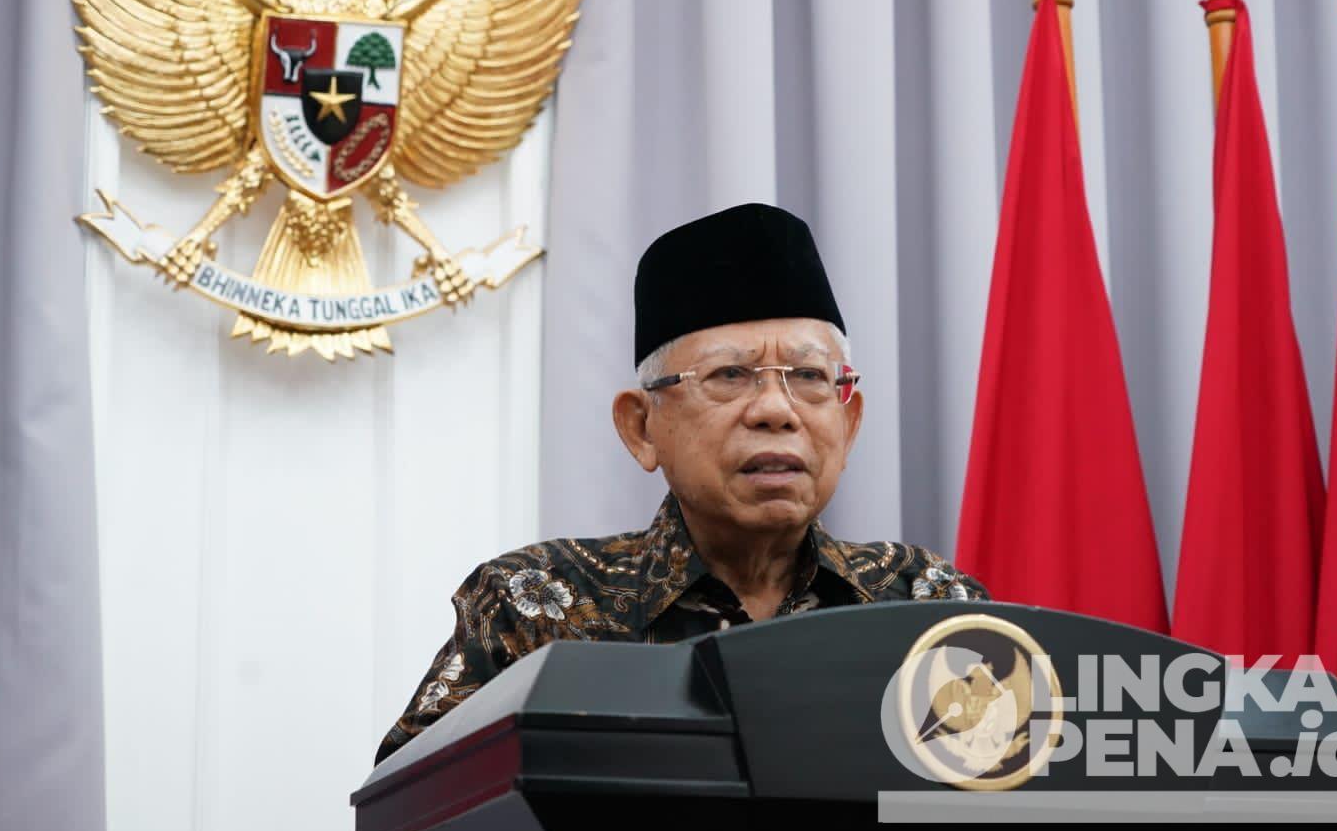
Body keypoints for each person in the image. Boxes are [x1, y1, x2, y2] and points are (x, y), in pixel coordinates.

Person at [374, 203, 986, 765]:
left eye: (808, 375)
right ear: (642, 428)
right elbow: (415, 817)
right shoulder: (533, 605)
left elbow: (1008, 811)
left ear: (848, 425)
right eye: (730, 375)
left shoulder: (927, 602)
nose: (777, 410)